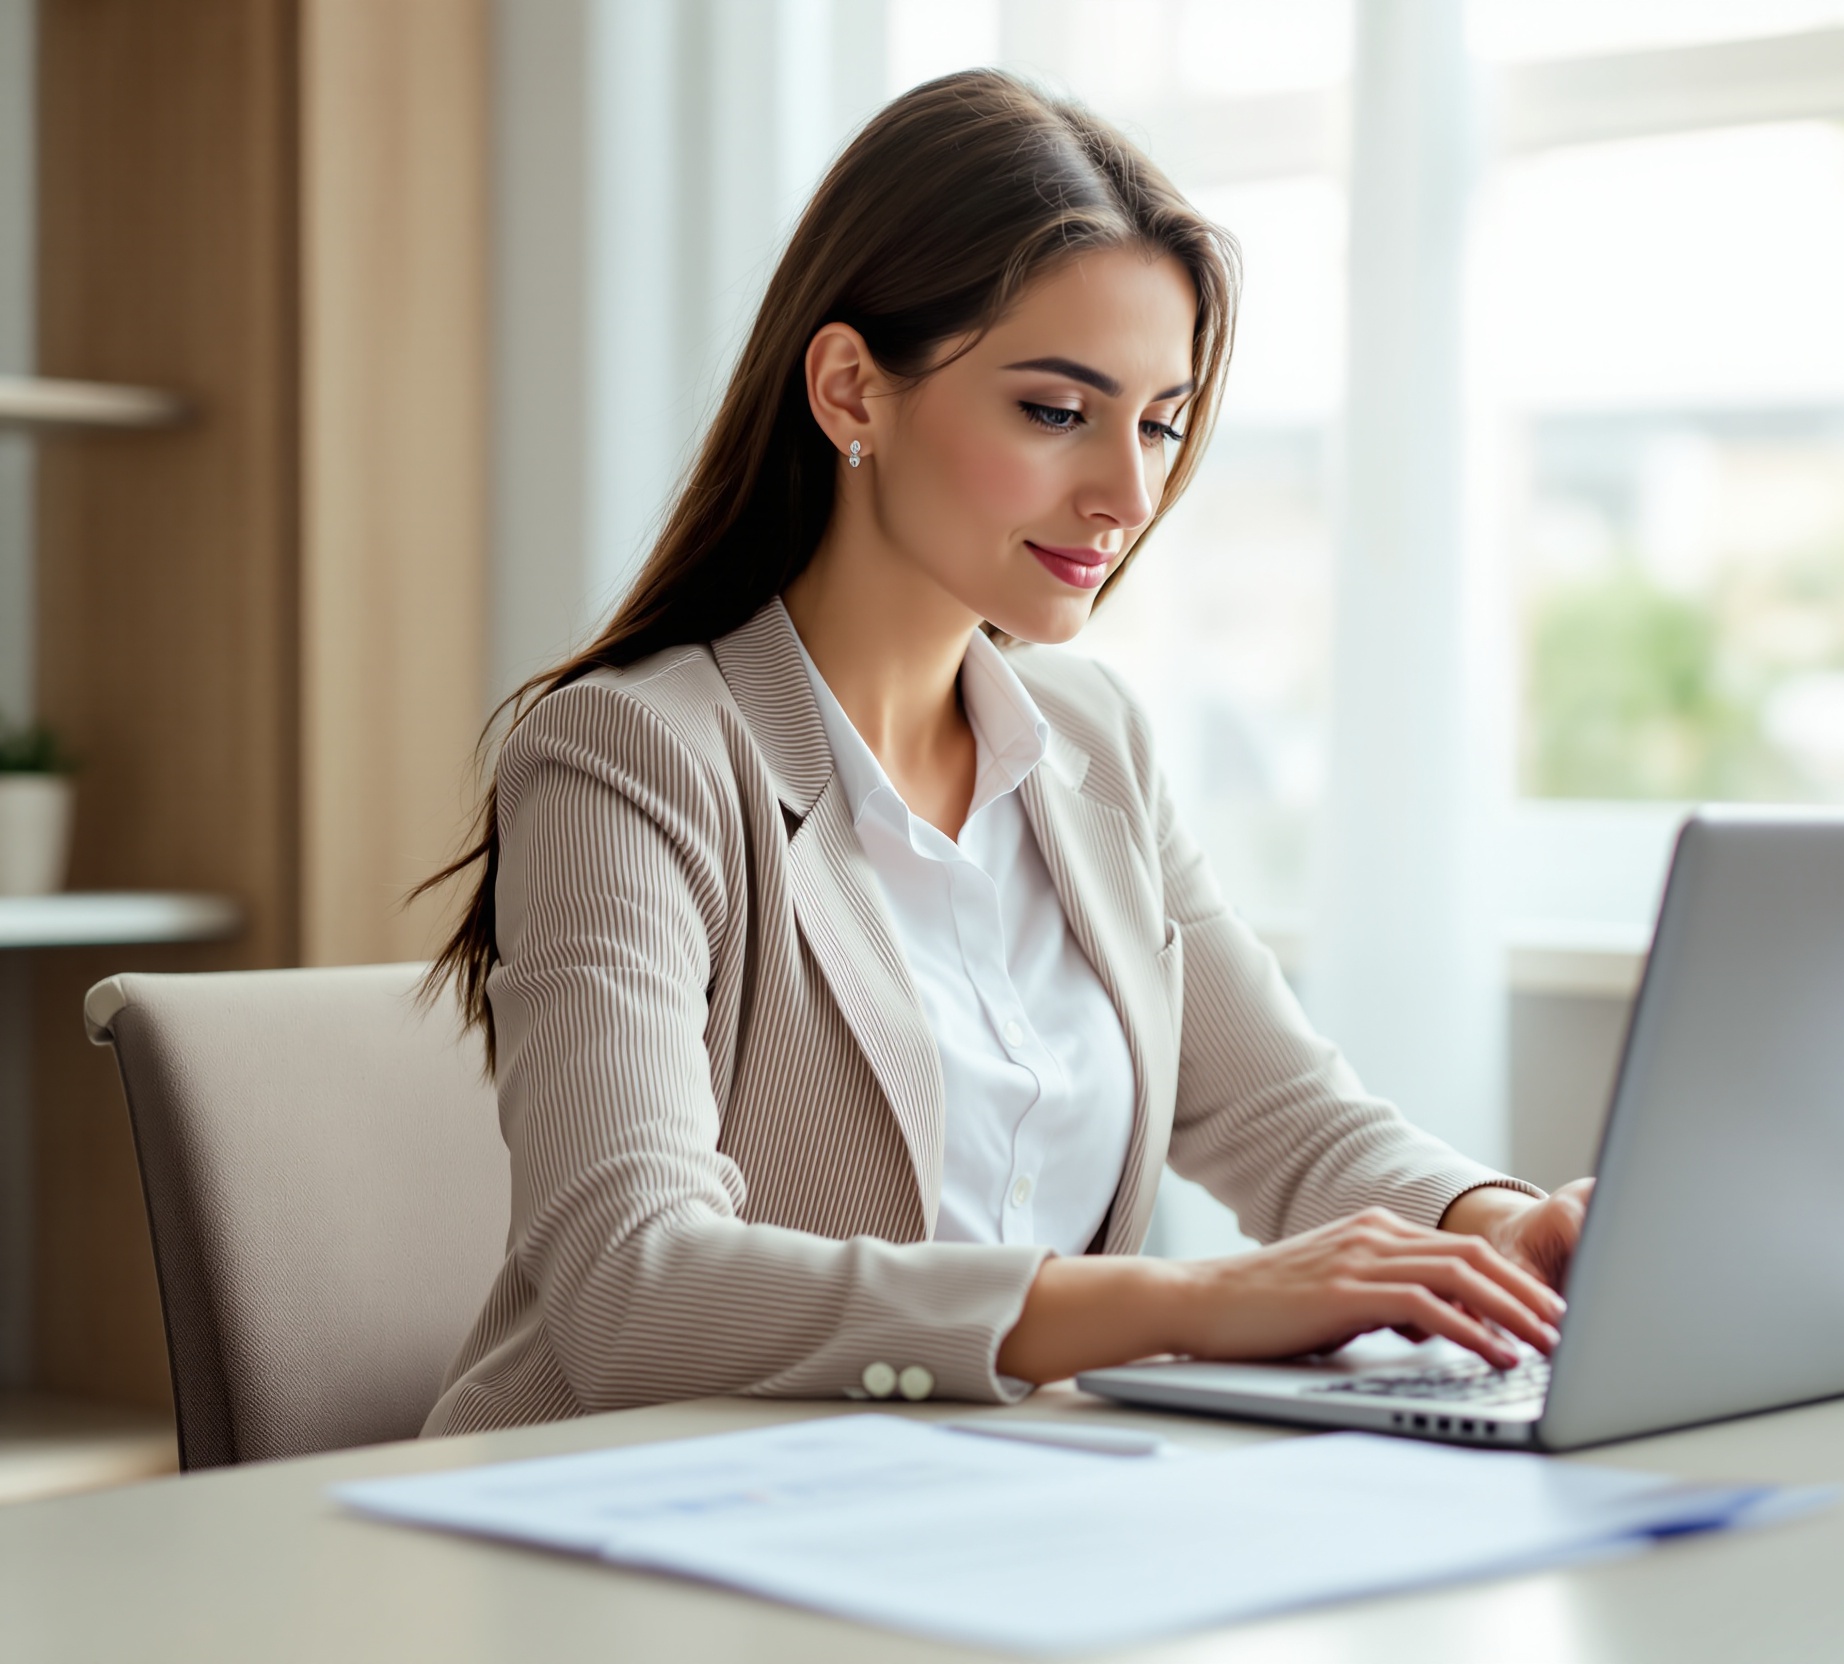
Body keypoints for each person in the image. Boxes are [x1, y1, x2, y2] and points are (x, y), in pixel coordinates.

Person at [420, 69, 1592, 1438]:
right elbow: (631, 1287)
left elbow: (1290, 1120)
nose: (1132, 494)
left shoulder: (1094, 745)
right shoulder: (629, 756)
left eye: (1160, 420)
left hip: (977, 1497)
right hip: (617, 1525)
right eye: (1056, 411)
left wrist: (1504, 1235)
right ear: (853, 389)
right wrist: (1188, 1302)